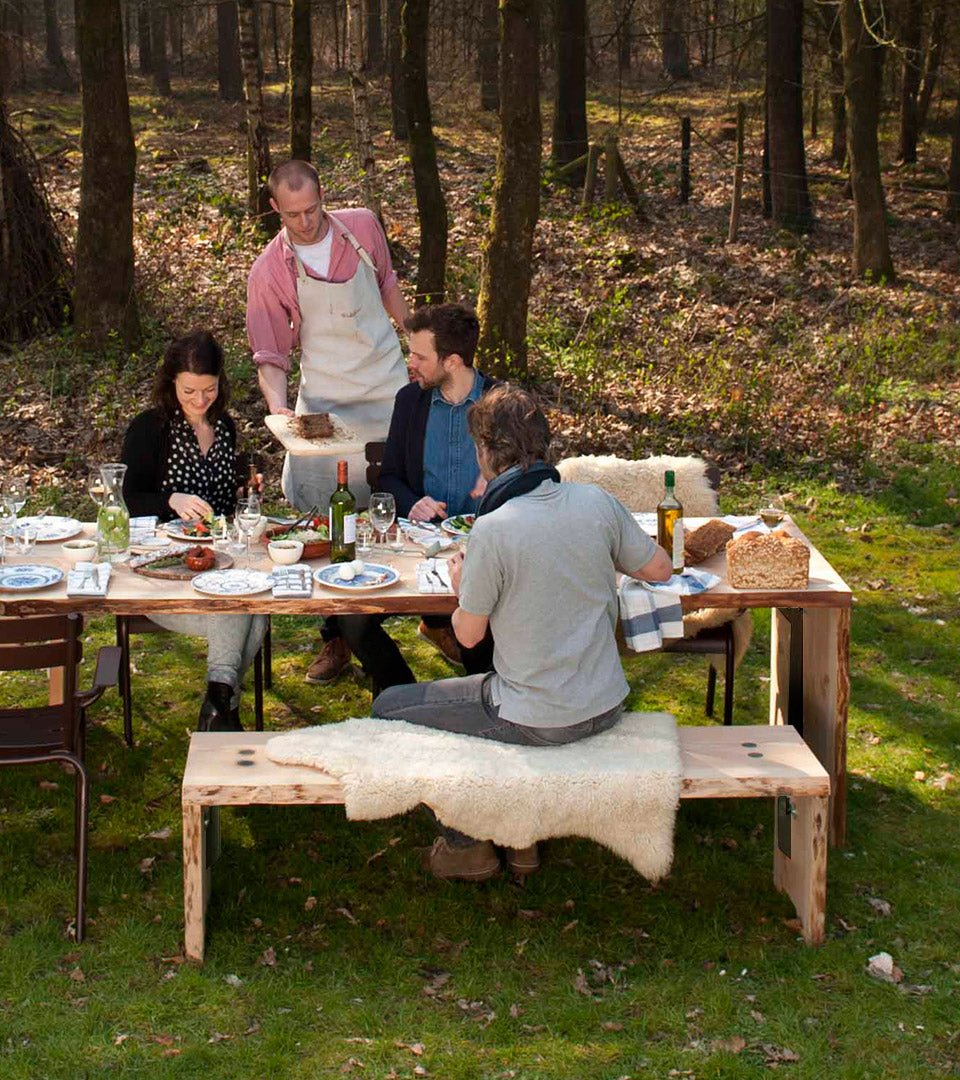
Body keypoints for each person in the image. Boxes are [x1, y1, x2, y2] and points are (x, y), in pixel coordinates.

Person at [372, 386, 672, 882]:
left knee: (390, 709)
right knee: (475, 699)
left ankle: (469, 843)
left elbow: (467, 637)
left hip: (536, 716)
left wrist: (462, 584)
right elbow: (660, 568)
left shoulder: (494, 528)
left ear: (488, 452)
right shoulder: (597, 502)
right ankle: (521, 839)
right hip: (605, 702)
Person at [246, 158, 410, 684]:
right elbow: (270, 354)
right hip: (325, 409)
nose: (306, 221)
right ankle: (337, 638)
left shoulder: (361, 226)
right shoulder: (269, 269)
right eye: (293, 214)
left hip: (388, 392)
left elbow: (388, 287)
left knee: (404, 510)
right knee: (326, 527)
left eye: (313, 208)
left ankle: (437, 618)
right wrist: (279, 411)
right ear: (275, 208)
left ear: (324, 197)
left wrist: (425, 349)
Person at [335, 303, 496, 691]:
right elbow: (388, 475)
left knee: (485, 633)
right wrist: (413, 503)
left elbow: (531, 477)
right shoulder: (411, 401)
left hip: (483, 551)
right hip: (415, 549)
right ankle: (400, 692)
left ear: (453, 360)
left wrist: (498, 489)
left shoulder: (499, 403)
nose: (412, 363)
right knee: (350, 616)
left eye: (421, 356)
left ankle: (482, 696)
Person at [121, 331, 268, 732]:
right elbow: (128, 497)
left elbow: (223, 504)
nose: (200, 400)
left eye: (209, 390)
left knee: (252, 612)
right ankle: (224, 706)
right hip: (163, 573)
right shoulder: (151, 428)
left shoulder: (224, 428)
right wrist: (171, 499)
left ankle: (218, 705)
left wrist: (243, 492)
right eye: (189, 391)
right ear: (171, 382)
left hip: (218, 563)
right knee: (247, 613)